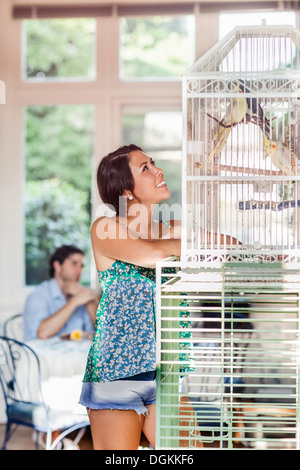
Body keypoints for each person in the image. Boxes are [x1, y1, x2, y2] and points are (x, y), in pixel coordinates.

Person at [23, 244, 97, 341]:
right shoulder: (38, 296)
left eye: (81, 266)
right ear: (57, 266)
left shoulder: (81, 294)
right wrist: (74, 301)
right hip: (42, 355)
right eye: (74, 264)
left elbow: (104, 332)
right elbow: (42, 333)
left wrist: (88, 300)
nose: (79, 271)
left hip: (75, 355)